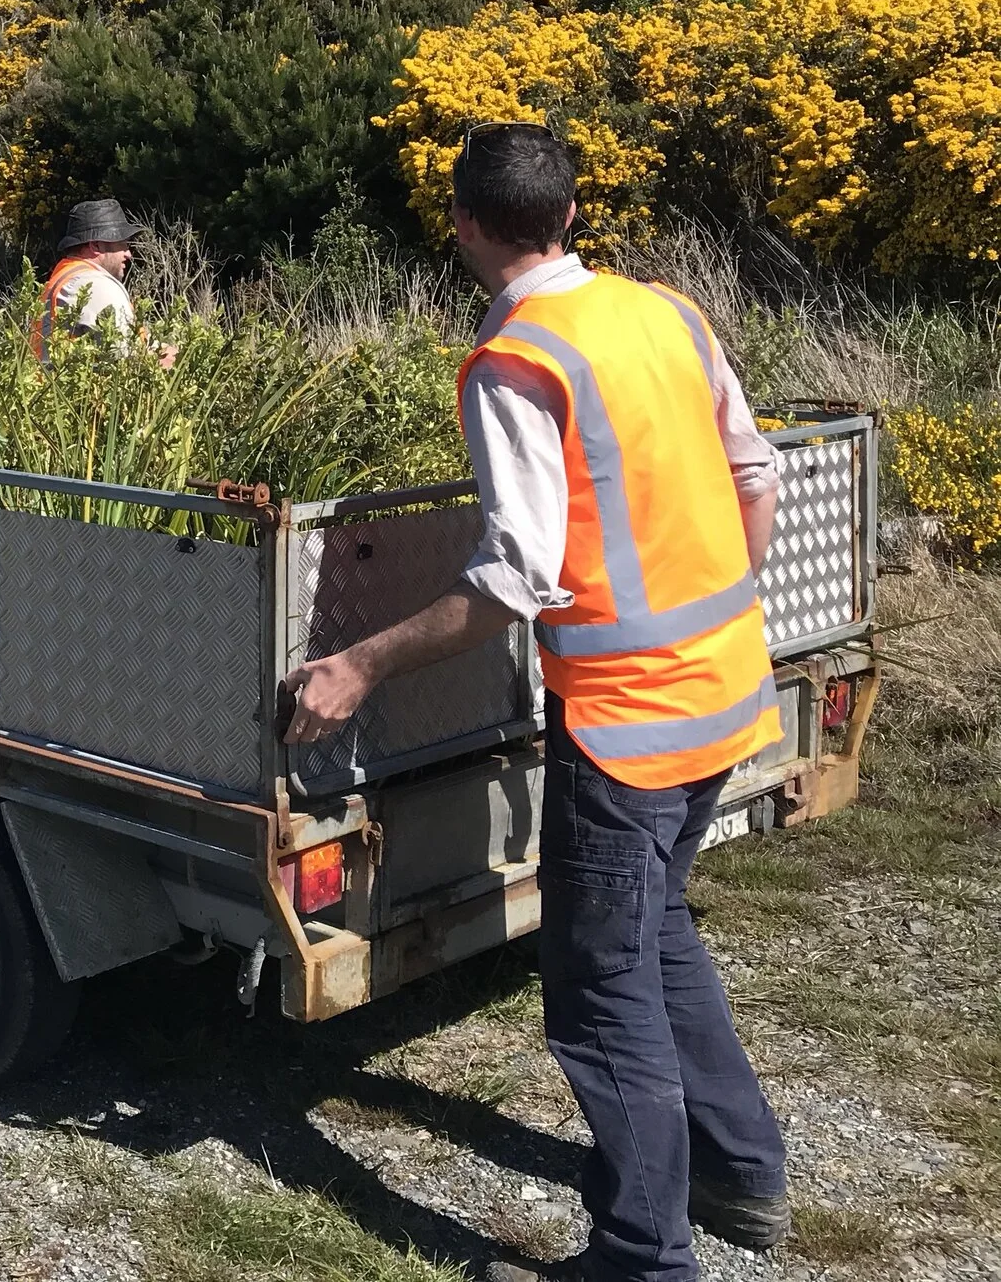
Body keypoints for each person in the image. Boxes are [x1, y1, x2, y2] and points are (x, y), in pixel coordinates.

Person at [282, 123, 790, 1282]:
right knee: (657, 938)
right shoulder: (666, 310)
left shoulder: (515, 359)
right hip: (721, 689)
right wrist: (705, 615)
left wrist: (355, 667)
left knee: (599, 996)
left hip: (624, 722)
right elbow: (753, 474)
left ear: (462, 223)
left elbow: (514, 578)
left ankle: (642, 1259)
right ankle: (740, 1174)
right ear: (569, 215)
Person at [35, 198, 143, 356]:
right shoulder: (94, 285)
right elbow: (126, 356)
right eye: (123, 244)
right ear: (96, 246)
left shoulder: (67, 276)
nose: (128, 254)